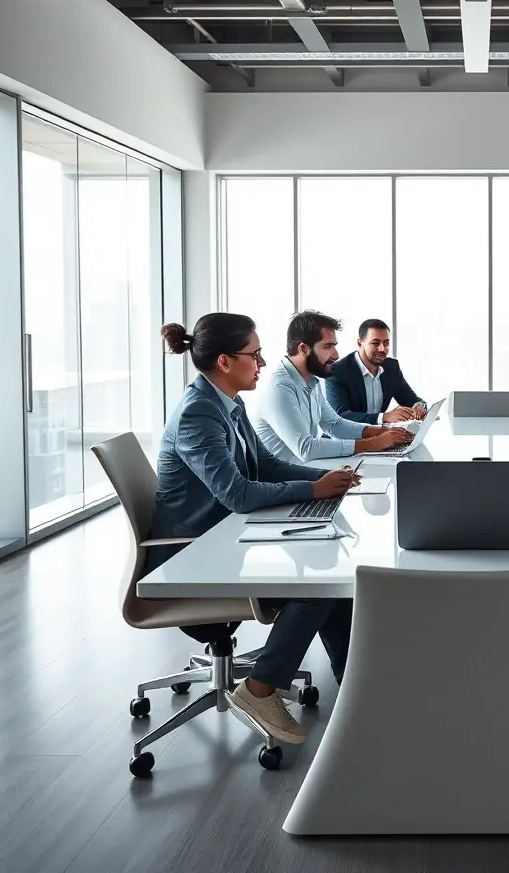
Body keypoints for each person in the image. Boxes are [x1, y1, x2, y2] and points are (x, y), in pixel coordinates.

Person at [148, 313, 361, 746]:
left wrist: (325, 481)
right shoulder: (197, 414)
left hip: (227, 539)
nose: (263, 362)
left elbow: (265, 465)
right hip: (192, 557)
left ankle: (356, 691)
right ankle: (260, 689)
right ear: (225, 361)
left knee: (332, 576)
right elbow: (238, 494)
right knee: (319, 586)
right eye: (255, 354)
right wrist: (312, 488)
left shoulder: (227, 403)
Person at [254, 311, 414, 463]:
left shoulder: (310, 380)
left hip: (304, 468)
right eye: (328, 346)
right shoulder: (280, 388)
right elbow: (306, 448)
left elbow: (334, 424)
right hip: (283, 476)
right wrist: (373, 443)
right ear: (303, 349)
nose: (336, 355)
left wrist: (382, 432)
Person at [325, 319, 427, 424]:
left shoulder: (391, 367)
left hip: (381, 432)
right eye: (375, 343)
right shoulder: (337, 372)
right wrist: (383, 417)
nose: (382, 349)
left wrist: (419, 407)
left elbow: (411, 400)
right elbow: (340, 416)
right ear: (360, 343)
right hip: (349, 434)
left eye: (386, 343)